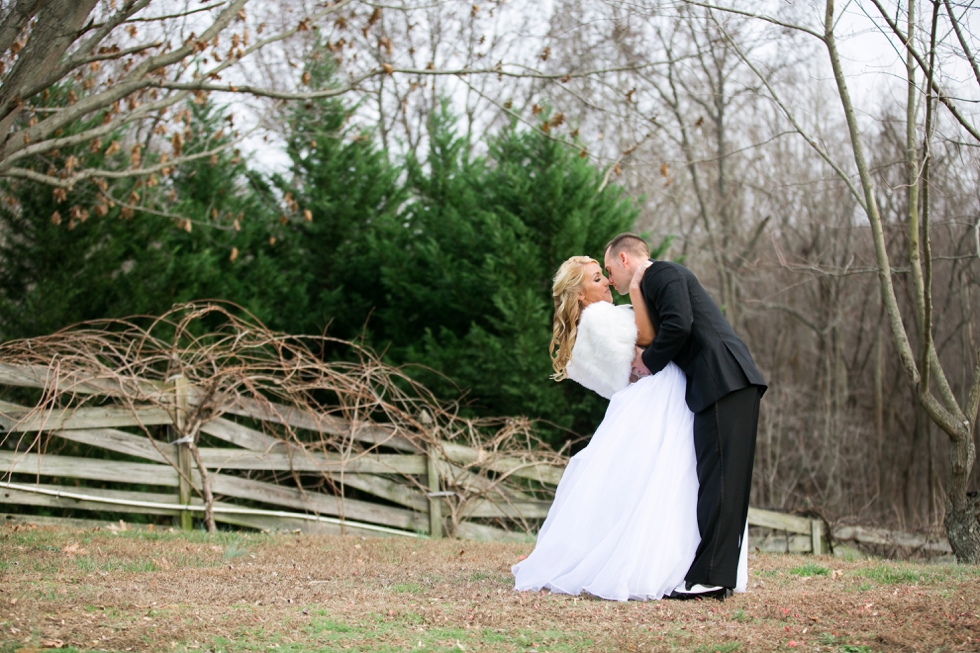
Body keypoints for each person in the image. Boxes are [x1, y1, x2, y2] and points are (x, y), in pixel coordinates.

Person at [511, 255, 747, 601]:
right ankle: (680, 564)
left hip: (643, 400)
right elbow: (650, 335)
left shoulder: (588, 327)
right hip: (659, 397)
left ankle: (689, 565)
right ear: (579, 294)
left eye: (604, 277)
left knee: (660, 483)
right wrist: (636, 287)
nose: (606, 283)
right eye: (596, 279)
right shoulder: (600, 317)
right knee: (676, 480)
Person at [604, 233, 766, 599]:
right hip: (724, 382)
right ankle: (713, 574)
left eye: (610, 268)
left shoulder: (662, 273)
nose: (609, 278)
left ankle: (710, 578)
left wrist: (647, 362)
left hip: (725, 379)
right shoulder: (651, 284)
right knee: (719, 480)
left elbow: (680, 325)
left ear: (625, 259)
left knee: (721, 480)